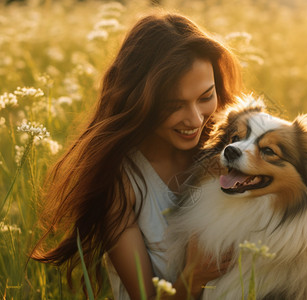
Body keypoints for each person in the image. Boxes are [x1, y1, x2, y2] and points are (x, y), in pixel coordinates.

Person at [30, 11, 242, 300]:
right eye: (174, 105)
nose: (194, 119)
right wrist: (194, 276)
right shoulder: (120, 181)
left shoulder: (232, 154)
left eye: (205, 97)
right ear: (140, 100)